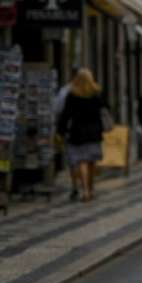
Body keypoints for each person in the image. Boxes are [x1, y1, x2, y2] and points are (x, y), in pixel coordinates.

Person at [57, 69, 106, 202]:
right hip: (94, 132)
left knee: (81, 161)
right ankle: (90, 189)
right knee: (91, 162)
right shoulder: (96, 94)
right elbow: (102, 112)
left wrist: (60, 131)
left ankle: (85, 191)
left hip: (78, 132)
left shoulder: (72, 95)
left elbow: (65, 115)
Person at [53, 67, 81, 200]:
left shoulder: (65, 91)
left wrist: (60, 130)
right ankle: (85, 185)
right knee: (85, 159)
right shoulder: (89, 90)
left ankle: (76, 185)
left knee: (73, 160)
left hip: (72, 131)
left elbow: (58, 110)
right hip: (89, 133)